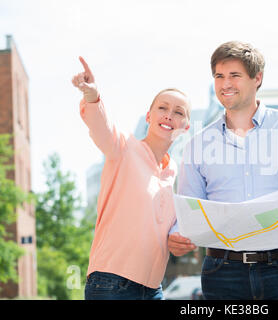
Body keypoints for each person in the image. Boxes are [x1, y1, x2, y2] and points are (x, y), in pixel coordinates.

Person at [168, 41, 278, 300]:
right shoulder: (198, 144)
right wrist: (177, 235)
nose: (225, 84)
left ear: (257, 78)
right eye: (219, 76)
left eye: (235, 75)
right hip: (222, 273)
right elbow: (189, 210)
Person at [71, 57, 191, 300]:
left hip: (153, 288)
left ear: (186, 126)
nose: (169, 115)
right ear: (148, 116)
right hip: (112, 283)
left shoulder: (173, 172)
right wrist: (93, 97)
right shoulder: (123, 147)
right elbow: (100, 126)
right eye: (162, 108)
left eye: (178, 112)